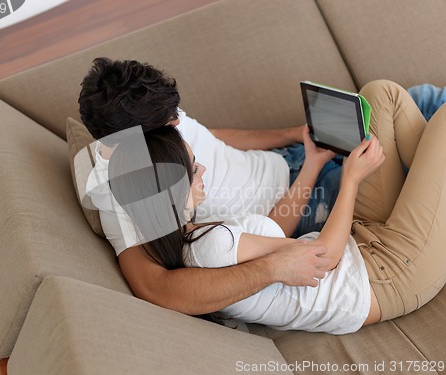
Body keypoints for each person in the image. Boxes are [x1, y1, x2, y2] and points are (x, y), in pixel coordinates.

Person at [108, 79, 446, 332]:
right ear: (171, 194)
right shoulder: (211, 245)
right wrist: (351, 180)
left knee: (381, 95)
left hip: (362, 245)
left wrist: (312, 162)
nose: (204, 170)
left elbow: (273, 231)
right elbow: (323, 259)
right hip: (389, 274)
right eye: (194, 169)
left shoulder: (193, 236)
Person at [79, 58, 338, 314]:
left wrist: (298, 135)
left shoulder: (153, 116)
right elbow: (157, 289)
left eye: (175, 112)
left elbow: (213, 138)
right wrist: (271, 268)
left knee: (373, 102)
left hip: (292, 156)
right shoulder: (121, 200)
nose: (178, 121)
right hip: (306, 199)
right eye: (169, 121)